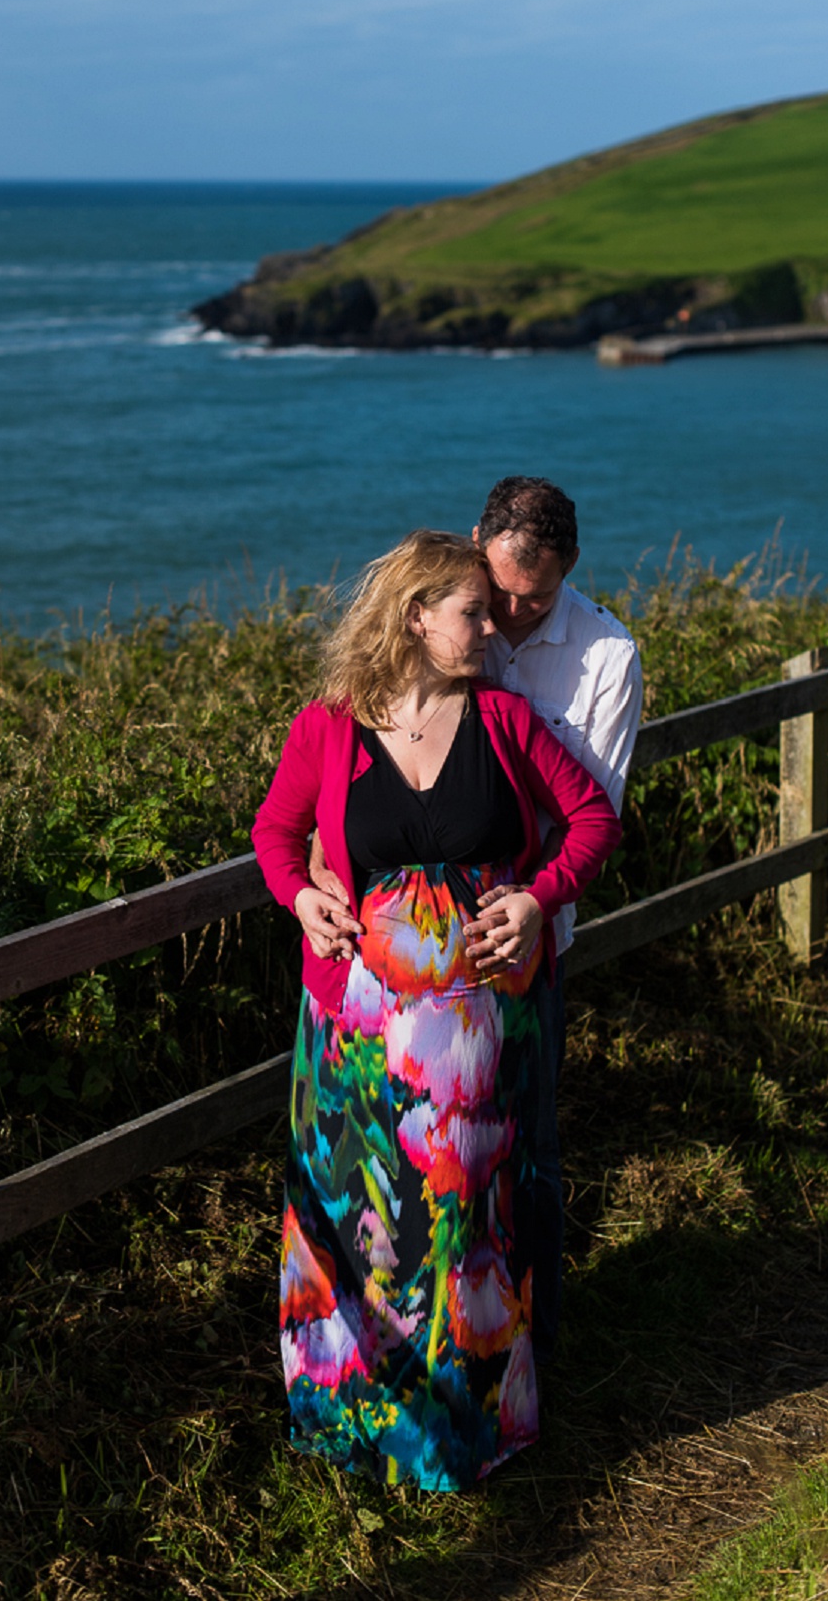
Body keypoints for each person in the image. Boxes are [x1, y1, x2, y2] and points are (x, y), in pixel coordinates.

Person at [252, 530, 621, 1490]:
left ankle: (459, 1433)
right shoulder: (328, 724)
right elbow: (274, 830)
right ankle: (352, 1420)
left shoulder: (503, 719)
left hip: (474, 1039)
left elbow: (593, 818)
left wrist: (540, 897)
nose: (490, 626)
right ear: (416, 617)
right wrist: (300, 895)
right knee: (353, 1223)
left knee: (457, 1230)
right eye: (471, 610)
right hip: (353, 1035)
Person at [306, 479, 643, 1372]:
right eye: (497, 596)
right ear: (471, 556)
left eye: (536, 596)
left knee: (513, 1172)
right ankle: (394, 1385)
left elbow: (588, 812)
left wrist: (533, 902)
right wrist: (315, 868)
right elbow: (310, 810)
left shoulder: (603, 657)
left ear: (568, 570)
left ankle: (522, 1372)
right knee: (382, 1196)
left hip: (513, 962)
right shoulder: (392, 682)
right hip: (379, 1002)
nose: (513, 614)